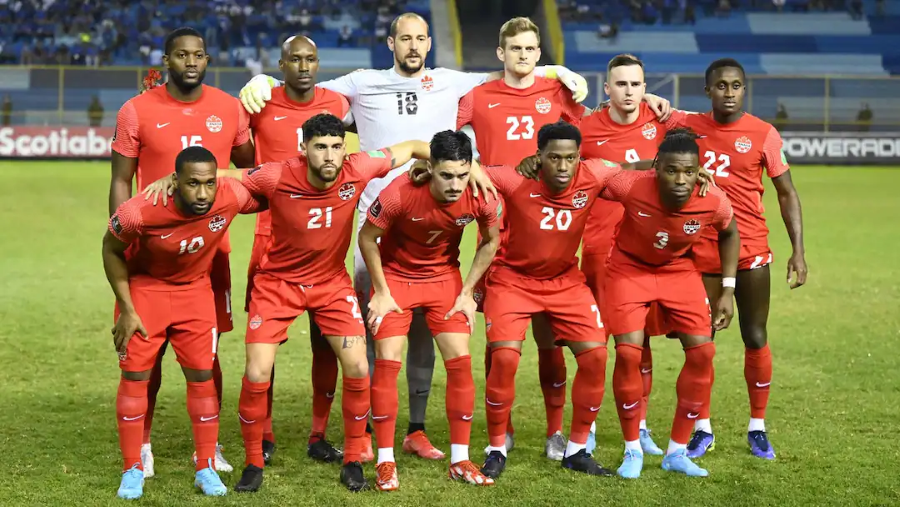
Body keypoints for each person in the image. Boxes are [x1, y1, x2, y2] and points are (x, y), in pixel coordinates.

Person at [237, 12, 589, 461]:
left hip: (435, 221)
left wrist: (553, 70)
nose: (414, 46)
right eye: (405, 38)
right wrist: (265, 80)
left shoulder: (449, 80)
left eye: (421, 38)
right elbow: (307, 86)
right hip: (374, 224)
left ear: (429, 43)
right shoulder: (362, 82)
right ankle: (364, 428)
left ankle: (416, 429)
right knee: (370, 328)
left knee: (426, 329)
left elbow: (506, 72)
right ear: (391, 43)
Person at [109, 26, 254, 476]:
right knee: (143, 354)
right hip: (148, 254)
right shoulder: (136, 110)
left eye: (198, 55)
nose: (191, 62)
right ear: (166, 61)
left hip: (210, 253)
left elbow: (252, 171)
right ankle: (143, 443)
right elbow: (120, 179)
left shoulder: (229, 108)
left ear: (207, 60)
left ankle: (208, 448)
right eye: (181, 55)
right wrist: (123, 234)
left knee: (208, 354)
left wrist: (217, 181)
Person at [454, 16, 590, 460]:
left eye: (531, 49)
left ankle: (555, 431)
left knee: (550, 337)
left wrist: (647, 99)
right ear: (501, 53)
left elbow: (591, 132)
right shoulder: (476, 96)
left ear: (539, 53)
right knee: (500, 342)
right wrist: (477, 166)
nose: (524, 56)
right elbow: (457, 146)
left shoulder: (558, 93)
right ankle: (504, 428)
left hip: (548, 226)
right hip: (495, 228)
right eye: (516, 49)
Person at [102, 147, 262, 499]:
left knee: (203, 377)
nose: (203, 194)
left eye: (209, 183)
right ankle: (132, 468)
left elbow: (274, 185)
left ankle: (205, 467)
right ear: (175, 181)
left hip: (195, 294)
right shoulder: (139, 211)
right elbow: (110, 249)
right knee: (136, 378)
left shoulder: (230, 195)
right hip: (146, 293)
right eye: (192, 184)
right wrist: (126, 309)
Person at [674, 58, 808, 460]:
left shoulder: (764, 133)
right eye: (721, 85)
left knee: (755, 335)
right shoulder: (687, 126)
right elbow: (647, 110)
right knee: (700, 343)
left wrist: (798, 251)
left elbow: (787, 193)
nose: (729, 92)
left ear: (744, 90)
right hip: (700, 250)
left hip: (750, 248)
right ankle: (702, 428)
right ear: (707, 91)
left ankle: (757, 427)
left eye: (735, 85)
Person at [475, 121, 621, 480]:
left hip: (565, 282)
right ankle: (497, 447)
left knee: (596, 355)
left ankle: (576, 449)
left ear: (580, 157)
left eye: (570, 158)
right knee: (504, 357)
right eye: (554, 157)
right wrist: (426, 166)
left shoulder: (594, 174)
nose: (563, 166)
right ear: (539, 156)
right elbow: (469, 172)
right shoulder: (516, 178)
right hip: (513, 279)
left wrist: (678, 169)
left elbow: (634, 170)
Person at [359, 130, 501, 490]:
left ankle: (459, 459)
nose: (455, 185)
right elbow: (367, 238)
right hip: (396, 279)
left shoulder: (481, 195)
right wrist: (380, 291)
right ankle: (386, 461)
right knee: (388, 360)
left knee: (460, 360)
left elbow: (491, 241)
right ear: (430, 168)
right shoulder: (399, 193)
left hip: (443, 280)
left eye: (462, 175)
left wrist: (468, 292)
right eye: (446, 175)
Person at [602, 130, 739, 479]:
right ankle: (632, 448)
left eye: (689, 172)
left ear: (699, 171)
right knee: (628, 353)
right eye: (672, 170)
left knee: (703, 353)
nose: (681, 180)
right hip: (629, 269)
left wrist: (727, 289)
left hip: (678, 270)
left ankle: (676, 451)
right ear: (657, 168)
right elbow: (595, 173)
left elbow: (730, 231)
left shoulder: (713, 199)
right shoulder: (631, 186)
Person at [247, 34, 353, 466]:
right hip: (270, 239)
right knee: (264, 347)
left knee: (326, 343)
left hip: (323, 238)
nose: (304, 66)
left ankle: (318, 434)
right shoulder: (259, 103)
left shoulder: (338, 102)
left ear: (319, 63)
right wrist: (258, 81)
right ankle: (264, 433)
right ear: (282, 64)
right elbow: (234, 152)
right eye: (295, 59)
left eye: (311, 59)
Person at [578, 54, 682, 456]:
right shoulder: (585, 128)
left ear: (645, 88)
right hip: (600, 249)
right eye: (620, 84)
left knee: (640, 344)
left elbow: (705, 130)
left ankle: (639, 425)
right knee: (594, 345)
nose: (628, 91)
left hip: (645, 251)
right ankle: (586, 428)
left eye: (636, 84)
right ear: (607, 89)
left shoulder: (661, 122)